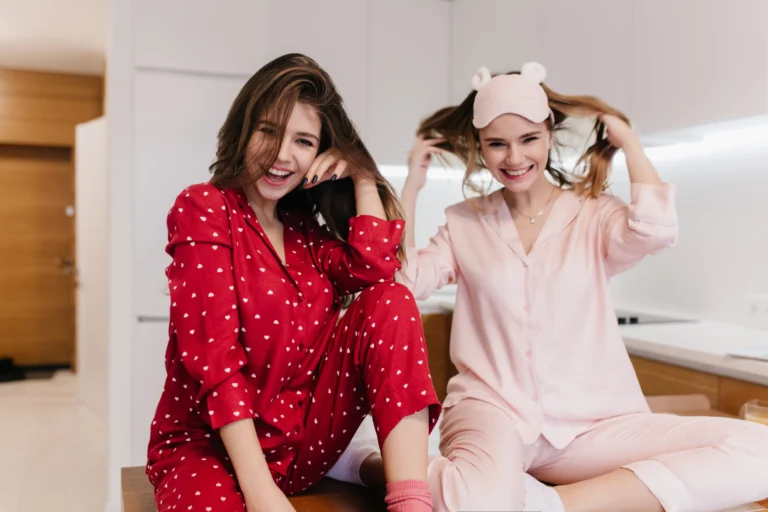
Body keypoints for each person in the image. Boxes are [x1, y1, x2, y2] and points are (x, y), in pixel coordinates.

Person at [333, 62, 768, 512]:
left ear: (549, 135)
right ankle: (365, 462)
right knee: (482, 501)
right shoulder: (464, 222)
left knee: (761, 450)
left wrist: (628, 141)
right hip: (492, 412)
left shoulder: (594, 212)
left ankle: (552, 504)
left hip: (593, 425)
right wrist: (412, 185)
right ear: (480, 148)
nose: (514, 158)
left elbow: (655, 230)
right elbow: (402, 281)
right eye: (497, 144)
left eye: (528, 139)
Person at [145, 53, 441, 512]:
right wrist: (262, 491)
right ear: (243, 130)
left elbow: (375, 268)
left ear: (320, 153)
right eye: (268, 132)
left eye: (303, 141)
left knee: (391, 299)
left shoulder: (307, 234)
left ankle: (412, 504)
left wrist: (362, 175)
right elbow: (215, 360)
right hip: (208, 449)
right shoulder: (204, 208)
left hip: (297, 448)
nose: (282, 155)